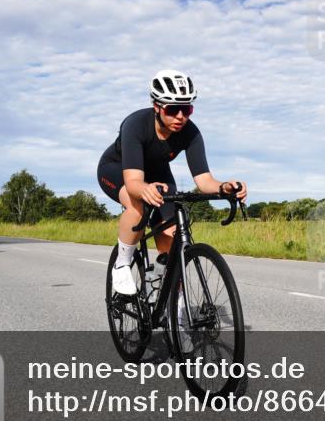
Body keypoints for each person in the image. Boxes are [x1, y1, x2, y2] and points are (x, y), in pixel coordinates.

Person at [97, 69, 247, 295]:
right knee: (138, 204)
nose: (180, 116)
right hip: (118, 169)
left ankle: (161, 283)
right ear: (156, 106)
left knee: (171, 232)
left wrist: (224, 187)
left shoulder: (190, 132)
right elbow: (134, 182)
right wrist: (144, 189)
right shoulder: (135, 125)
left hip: (158, 174)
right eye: (173, 109)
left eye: (186, 109)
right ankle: (122, 263)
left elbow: (205, 180)